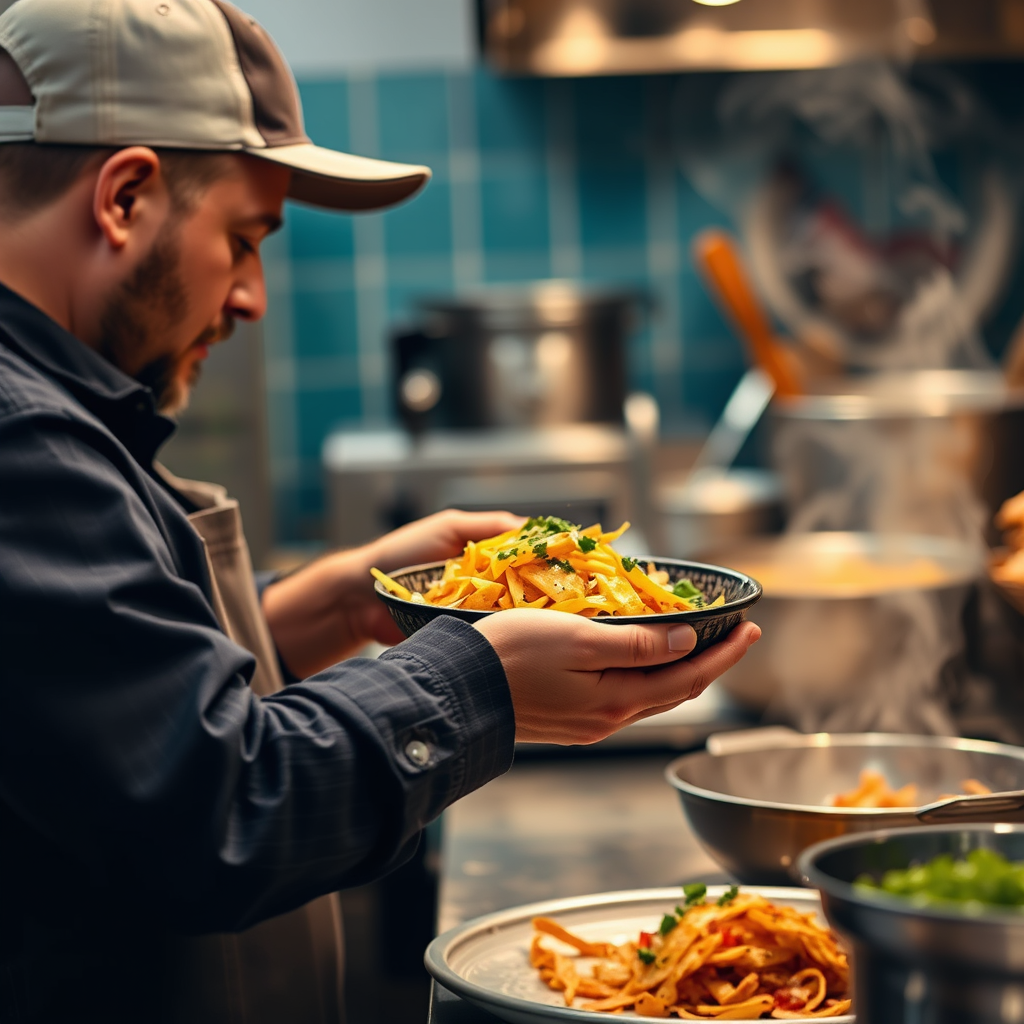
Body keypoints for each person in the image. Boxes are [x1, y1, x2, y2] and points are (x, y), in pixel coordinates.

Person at [0, 1, 761, 1021]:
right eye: (243, 239)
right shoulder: (24, 440)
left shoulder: (58, 411)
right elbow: (219, 808)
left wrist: (324, 608)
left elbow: (91, 709)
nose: (252, 297)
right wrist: (480, 681)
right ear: (126, 197)